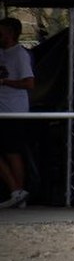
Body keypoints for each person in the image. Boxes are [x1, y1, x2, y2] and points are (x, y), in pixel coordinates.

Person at [0, 17, 35, 209]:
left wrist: (5, 82)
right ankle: (16, 191)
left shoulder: (20, 54)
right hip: (2, 111)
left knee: (13, 152)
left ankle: (18, 191)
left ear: (10, 33)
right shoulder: (2, 53)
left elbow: (29, 83)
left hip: (14, 111)